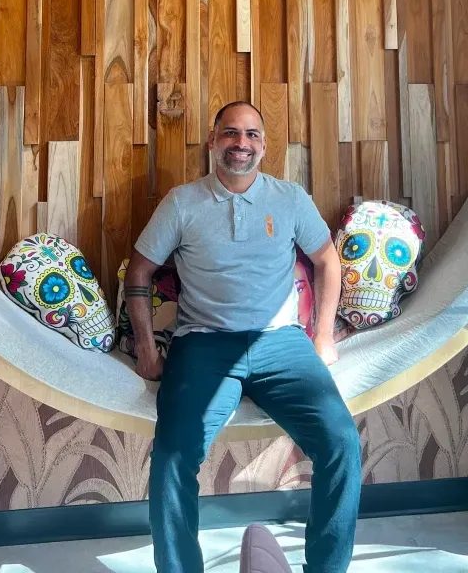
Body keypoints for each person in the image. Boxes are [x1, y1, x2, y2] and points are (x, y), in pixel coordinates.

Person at [125, 101, 362, 573]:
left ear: (265, 146)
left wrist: (322, 338)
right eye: (231, 134)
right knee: (173, 454)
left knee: (342, 443)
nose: (241, 144)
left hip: (282, 344)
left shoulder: (290, 198)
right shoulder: (182, 202)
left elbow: (327, 261)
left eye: (252, 135)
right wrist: (148, 347)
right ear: (213, 142)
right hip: (203, 346)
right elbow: (140, 269)